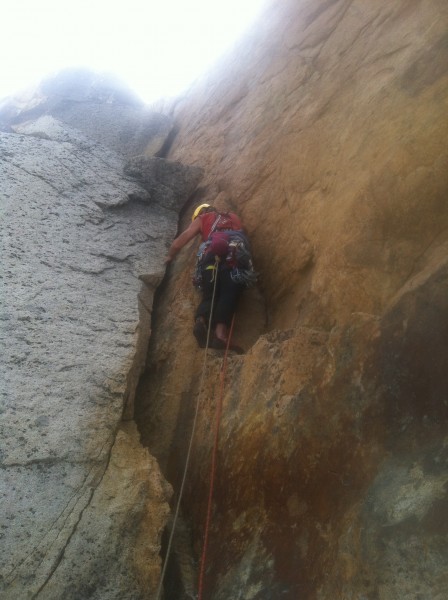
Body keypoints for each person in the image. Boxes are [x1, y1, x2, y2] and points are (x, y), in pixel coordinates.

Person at [165, 203, 256, 351]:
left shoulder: (202, 218)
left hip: (211, 255)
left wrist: (169, 256)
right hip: (235, 254)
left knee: (209, 291)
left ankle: (201, 321)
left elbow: (184, 237)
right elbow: (244, 232)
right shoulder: (233, 217)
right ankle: (220, 336)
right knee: (229, 292)